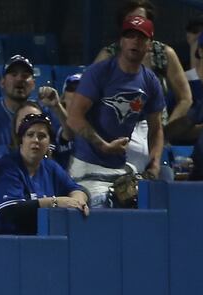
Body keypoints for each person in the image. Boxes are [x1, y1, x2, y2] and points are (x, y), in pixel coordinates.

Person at [67, 15, 165, 208]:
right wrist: (103, 145)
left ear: (149, 44)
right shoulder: (99, 73)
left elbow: (156, 129)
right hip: (86, 165)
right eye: (129, 36)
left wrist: (154, 164)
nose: (135, 41)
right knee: (103, 208)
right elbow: (74, 117)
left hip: (119, 167)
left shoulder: (150, 81)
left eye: (141, 37)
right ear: (121, 41)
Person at [0, 113, 89, 235]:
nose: (36, 140)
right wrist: (54, 202)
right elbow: (9, 211)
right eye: (30, 135)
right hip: (7, 241)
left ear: (49, 144)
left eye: (42, 136)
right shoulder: (5, 167)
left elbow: (76, 188)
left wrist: (79, 200)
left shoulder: (51, 167)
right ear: (21, 140)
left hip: (43, 237)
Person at [95, 0, 191, 124]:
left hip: (156, 130)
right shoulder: (108, 55)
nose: (136, 25)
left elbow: (185, 98)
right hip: (117, 131)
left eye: (140, 19)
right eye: (130, 20)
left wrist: (167, 130)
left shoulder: (165, 53)